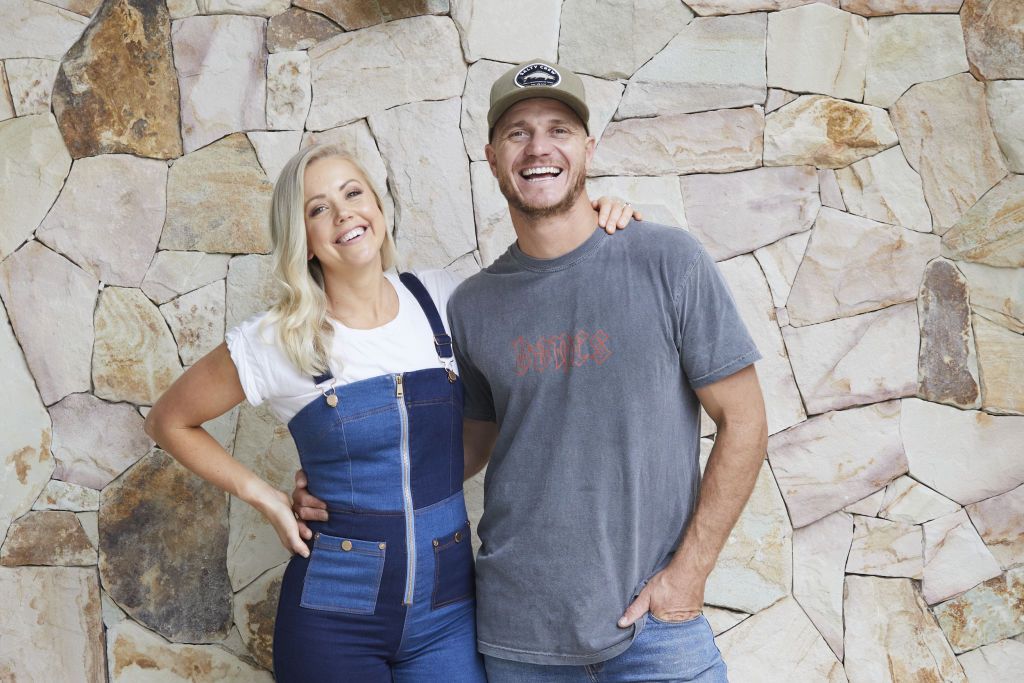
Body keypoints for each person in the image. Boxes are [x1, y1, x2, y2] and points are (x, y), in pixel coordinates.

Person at [292, 59, 770, 682]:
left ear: (588, 149)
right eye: (518, 133)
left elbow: (747, 421)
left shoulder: (664, 259)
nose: (538, 148)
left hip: (658, 633)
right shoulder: (472, 305)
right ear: (492, 158)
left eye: (559, 130)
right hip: (520, 643)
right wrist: (345, 486)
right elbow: (463, 449)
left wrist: (689, 574)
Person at [144, 141, 636, 681]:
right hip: (333, 619)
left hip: (448, 612)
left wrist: (594, 218)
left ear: (378, 209)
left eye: (353, 193)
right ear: (302, 239)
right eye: (317, 208)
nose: (343, 213)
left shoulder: (445, 299)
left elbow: (540, 289)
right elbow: (169, 420)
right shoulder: (275, 340)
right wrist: (269, 499)